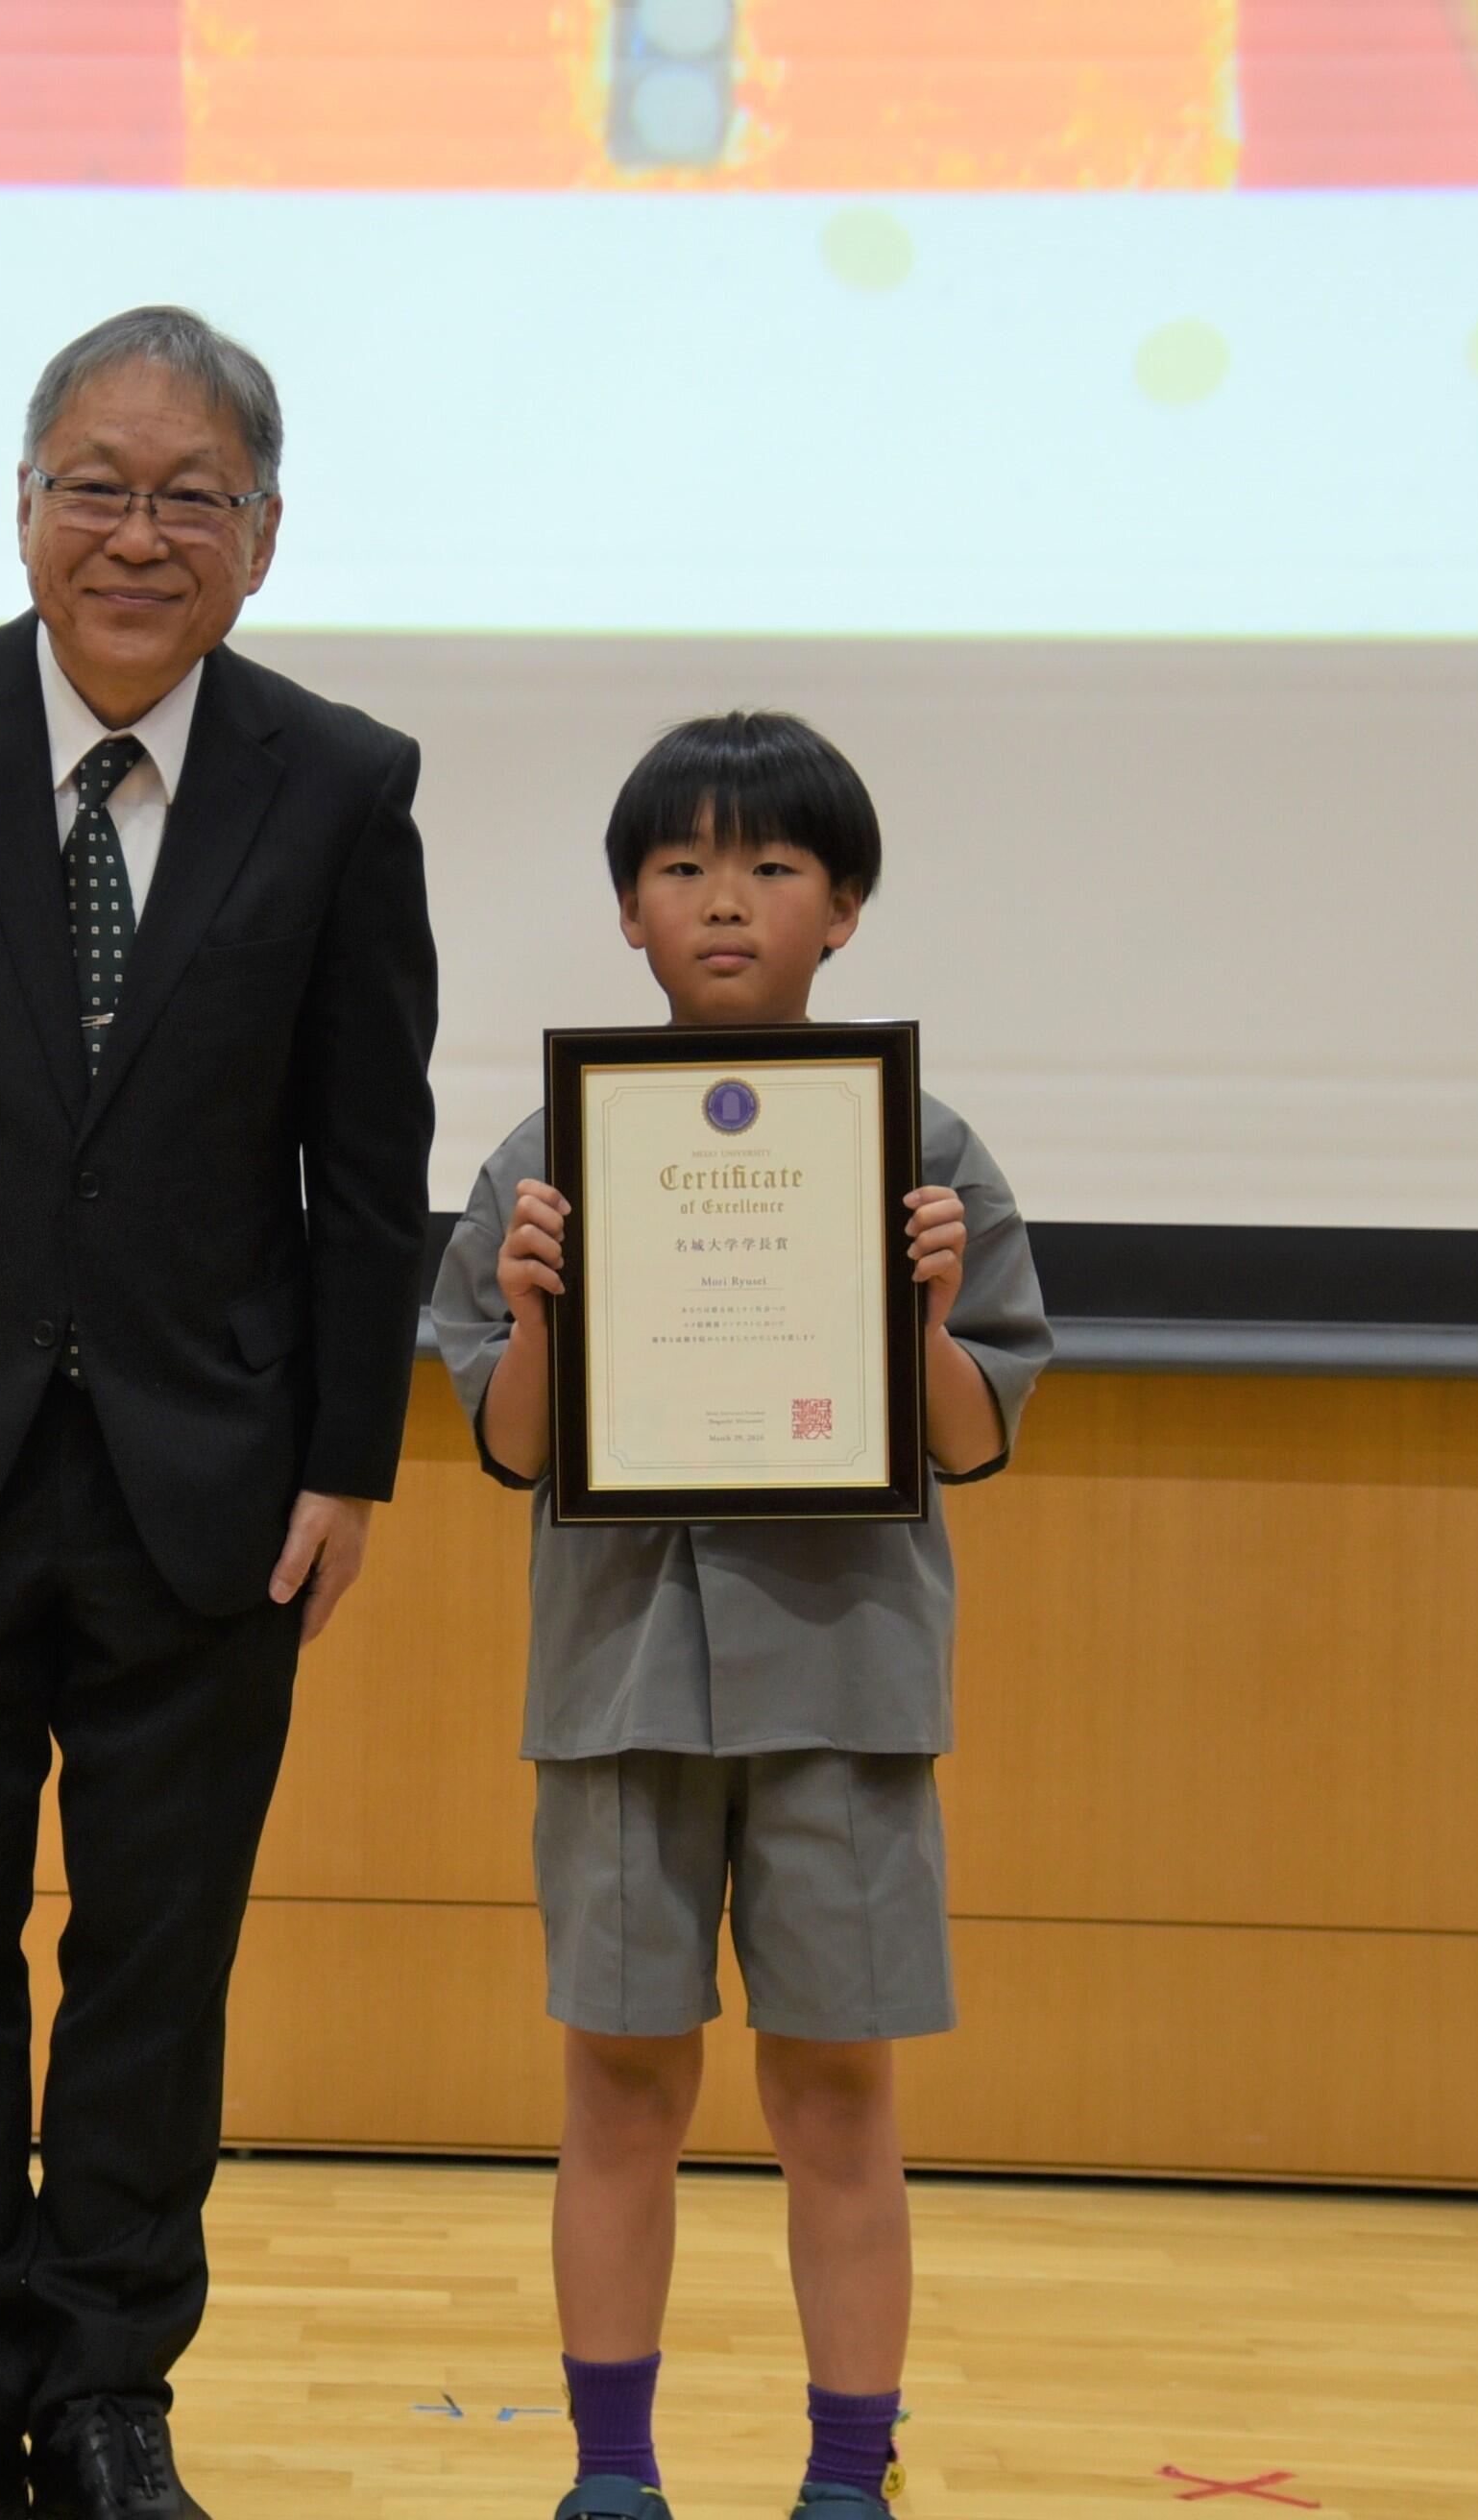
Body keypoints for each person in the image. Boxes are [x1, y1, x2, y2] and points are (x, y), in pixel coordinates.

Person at [0, 306, 439, 2520]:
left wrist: (346, 1458)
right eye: (97, 484)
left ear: (265, 535)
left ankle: (112, 2386)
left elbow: (367, 1158)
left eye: (190, 493)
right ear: (23, 503)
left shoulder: (339, 783)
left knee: (156, 1957)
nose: (140, 531)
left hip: (209, 1488)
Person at [429, 714, 1050, 2520]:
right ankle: (612, 2476)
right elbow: (508, 1441)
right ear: (626, 911)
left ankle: (847, 2479)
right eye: (682, 868)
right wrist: (538, 1307)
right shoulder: (550, 1153)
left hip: (844, 1680)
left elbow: (978, 1432)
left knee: (836, 2094)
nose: (725, 902)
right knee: (622, 2085)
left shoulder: (919, 1146)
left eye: (773, 868)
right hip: (618, 1687)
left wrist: (923, 1308)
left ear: (843, 910)